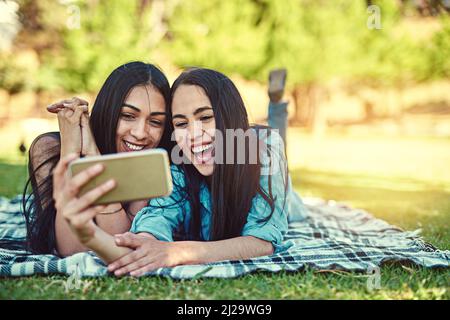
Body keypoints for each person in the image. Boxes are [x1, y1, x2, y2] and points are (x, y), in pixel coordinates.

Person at [52, 67, 307, 277]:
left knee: (274, 139)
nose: (194, 134)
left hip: (282, 194)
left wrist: (178, 251)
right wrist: (91, 235)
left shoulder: (264, 149)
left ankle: (276, 107)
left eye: (205, 117)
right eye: (182, 123)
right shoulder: (178, 173)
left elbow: (262, 243)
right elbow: (140, 249)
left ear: (227, 115)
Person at [22, 61, 173, 256]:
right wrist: (71, 151)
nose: (140, 133)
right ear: (108, 110)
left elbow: (121, 242)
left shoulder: (152, 163)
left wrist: (93, 156)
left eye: (155, 122)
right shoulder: (50, 150)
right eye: (128, 115)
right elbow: (71, 250)